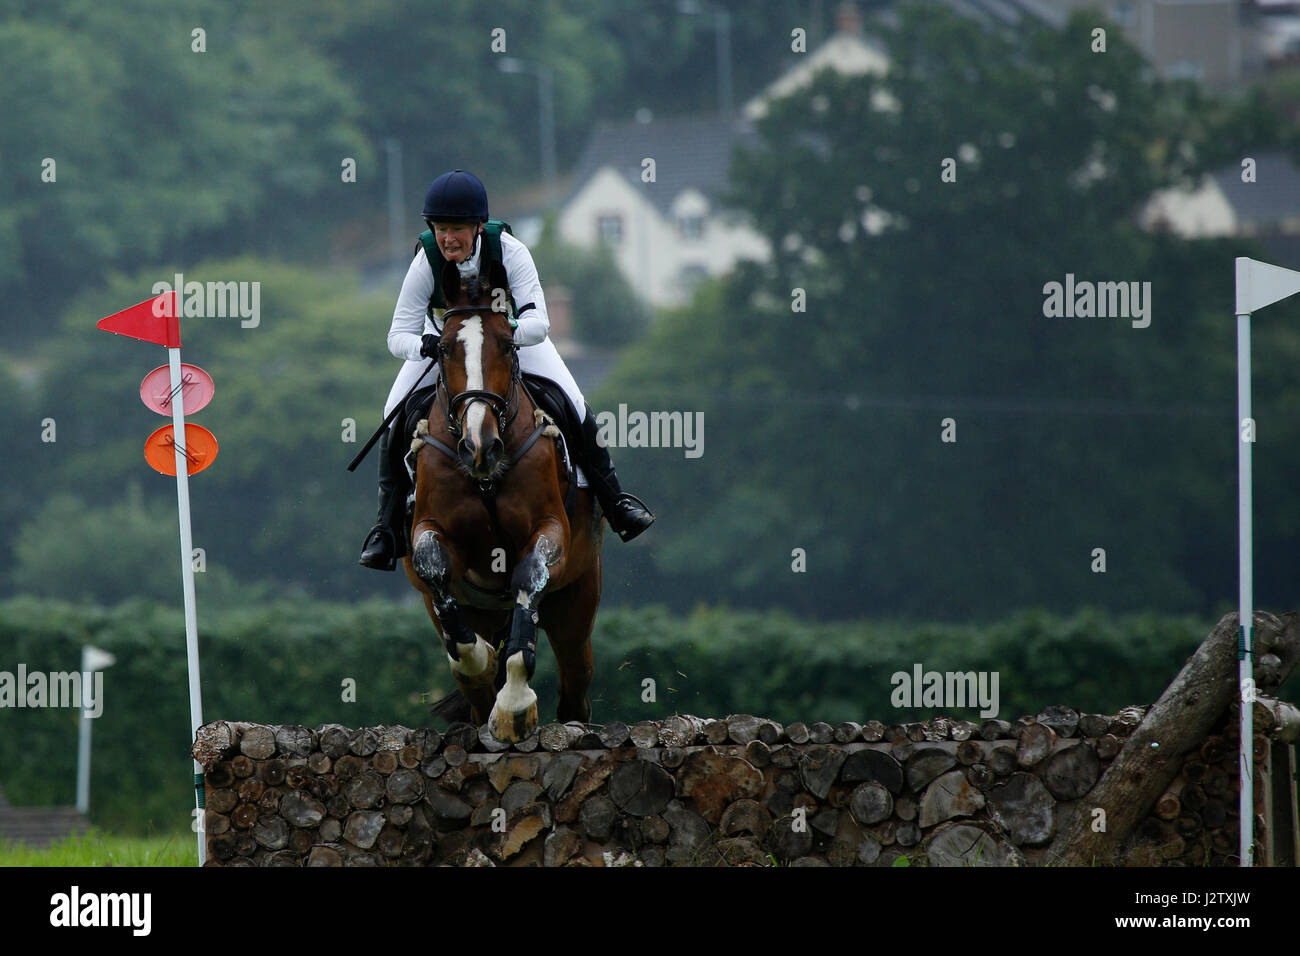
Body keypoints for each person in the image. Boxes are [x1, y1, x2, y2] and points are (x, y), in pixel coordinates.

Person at [359, 169, 654, 570]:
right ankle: (386, 527)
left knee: (573, 401)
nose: (448, 239)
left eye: (458, 229)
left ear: (479, 227)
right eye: (442, 228)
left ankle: (615, 500)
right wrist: (426, 344)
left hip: (509, 341)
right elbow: (397, 335)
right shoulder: (426, 259)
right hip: (448, 345)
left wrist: (502, 331)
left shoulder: (510, 251)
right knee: (391, 415)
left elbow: (539, 323)